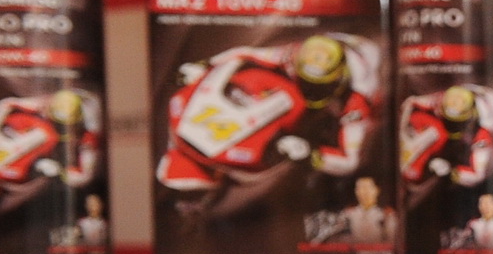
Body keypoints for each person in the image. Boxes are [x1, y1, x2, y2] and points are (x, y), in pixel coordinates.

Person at [155, 33, 381, 212]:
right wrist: (204, 65)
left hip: (367, 60)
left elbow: (350, 161)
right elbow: (244, 53)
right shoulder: (292, 54)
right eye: (305, 80)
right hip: (332, 42)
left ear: (338, 79)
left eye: (317, 85)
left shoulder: (358, 98)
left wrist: (310, 154)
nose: (308, 88)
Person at [0, 87, 102, 213]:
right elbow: (8, 103)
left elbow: (83, 176)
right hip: (16, 159)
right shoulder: (36, 110)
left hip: (34, 137)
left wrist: (59, 172)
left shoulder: (83, 132)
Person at [340, 175, 396, 250]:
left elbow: (392, 241)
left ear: (377, 190)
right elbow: (340, 241)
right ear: (356, 192)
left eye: (368, 187)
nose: (364, 192)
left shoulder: (386, 215)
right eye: (360, 188)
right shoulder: (348, 215)